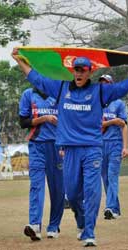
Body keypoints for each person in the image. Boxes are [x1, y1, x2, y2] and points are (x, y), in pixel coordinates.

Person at [12, 49, 128, 247]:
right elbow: (36, 78)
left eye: (83, 70)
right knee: (73, 195)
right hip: (70, 150)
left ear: (90, 72)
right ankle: (81, 222)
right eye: (76, 70)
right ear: (72, 71)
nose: (79, 73)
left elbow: (124, 87)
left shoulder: (100, 91)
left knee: (92, 191)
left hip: (92, 148)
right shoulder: (61, 88)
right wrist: (18, 59)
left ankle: (89, 232)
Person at [19, 87, 64, 241]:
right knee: (36, 184)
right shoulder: (28, 94)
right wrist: (44, 119)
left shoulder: (58, 92)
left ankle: (53, 226)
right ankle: (35, 225)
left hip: (58, 146)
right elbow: (23, 122)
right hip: (36, 145)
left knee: (57, 188)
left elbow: (69, 120)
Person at [99, 74, 128, 219]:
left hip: (115, 144)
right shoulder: (96, 102)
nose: (103, 85)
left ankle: (109, 207)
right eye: (101, 83)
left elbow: (123, 124)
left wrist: (125, 146)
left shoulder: (118, 103)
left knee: (112, 176)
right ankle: (115, 210)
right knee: (105, 177)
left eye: (106, 83)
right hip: (99, 145)